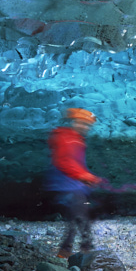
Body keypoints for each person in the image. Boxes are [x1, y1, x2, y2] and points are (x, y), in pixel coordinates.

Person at [44, 108, 107, 258]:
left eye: (87, 125)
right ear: (74, 122)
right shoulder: (67, 138)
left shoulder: (75, 139)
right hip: (67, 186)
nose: (85, 127)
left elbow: (75, 163)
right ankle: (84, 251)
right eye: (83, 123)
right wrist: (86, 177)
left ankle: (67, 252)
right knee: (80, 218)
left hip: (73, 185)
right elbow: (64, 162)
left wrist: (87, 179)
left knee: (76, 219)